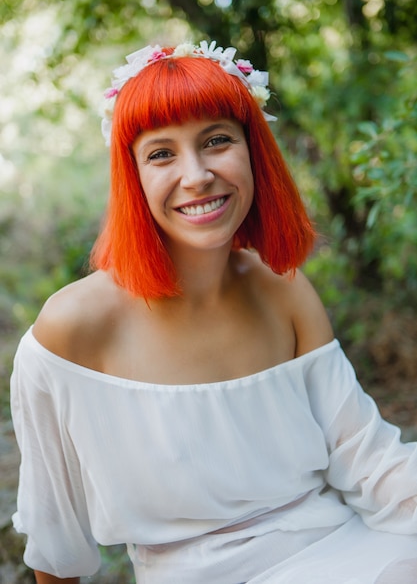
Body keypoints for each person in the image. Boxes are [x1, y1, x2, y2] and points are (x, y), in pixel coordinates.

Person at [10, 40, 417, 584]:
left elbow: (368, 462)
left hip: (348, 551)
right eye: (161, 154)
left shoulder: (283, 288)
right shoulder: (71, 330)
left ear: (254, 151)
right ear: (130, 176)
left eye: (217, 140)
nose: (197, 175)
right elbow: (57, 543)